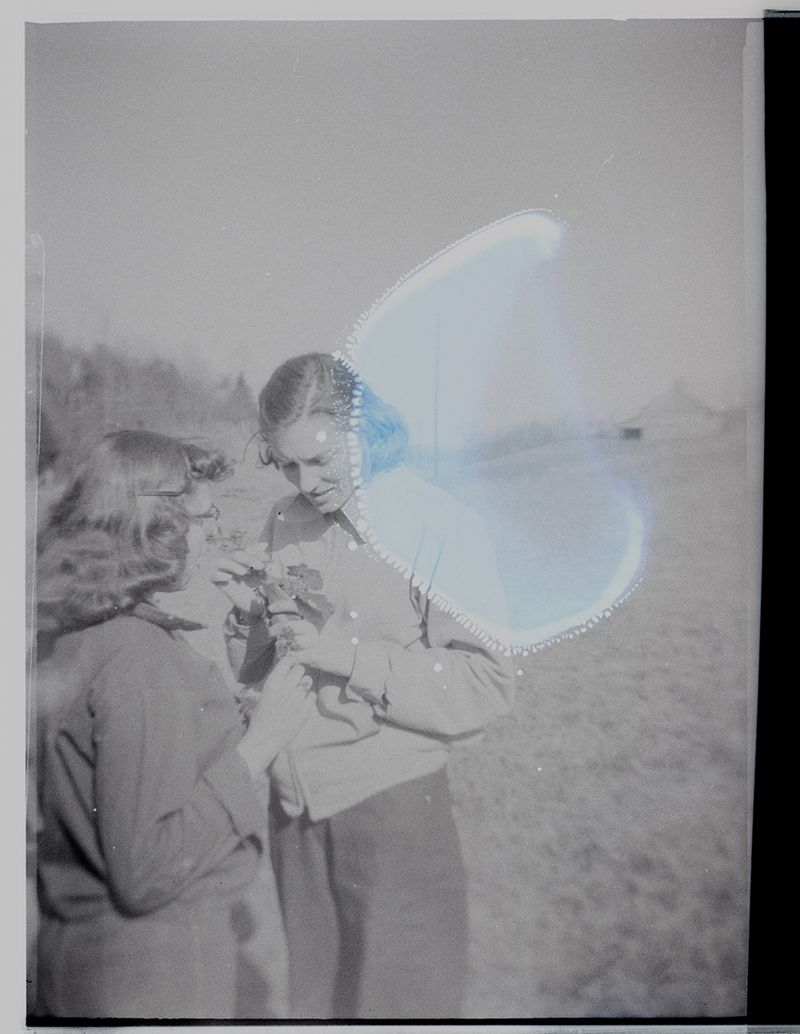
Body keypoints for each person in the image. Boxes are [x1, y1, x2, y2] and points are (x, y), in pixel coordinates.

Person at [214, 353, 516, 1019]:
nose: (307, 482)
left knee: (402, 1012)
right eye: (288, 465)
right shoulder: (284, 521)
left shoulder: (440, 528)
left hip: (393, 816)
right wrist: (246, 616)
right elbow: (259, 669)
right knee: (320, 1010)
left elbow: (486, 683)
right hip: (295, 816)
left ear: (366, 431)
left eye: (322, 461)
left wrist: (349, 657)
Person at [31, 430, 315, 1019]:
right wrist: (259, 746)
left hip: (83, 959)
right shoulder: (142, 661)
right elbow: (148, 870)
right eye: (203, 518)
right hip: (154, 971)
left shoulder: (74, 636)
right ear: (154, 527)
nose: (213, 534)